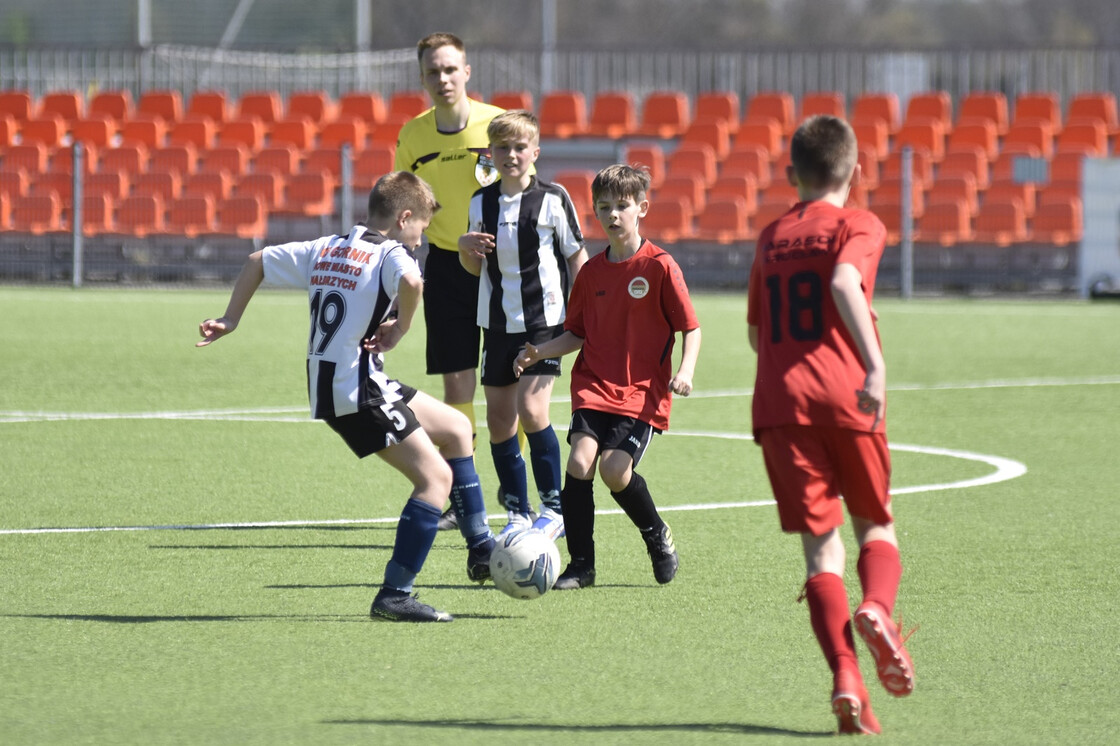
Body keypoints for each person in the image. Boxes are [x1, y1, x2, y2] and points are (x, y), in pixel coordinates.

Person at [196, 171, 496, 624]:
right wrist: (402, 326)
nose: (420, 239)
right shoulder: (391, 253)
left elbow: (257, 259)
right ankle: (396, 594)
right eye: (420, 228)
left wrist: (230, 318)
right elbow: (414, 284)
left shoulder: (328, 246)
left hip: (347, 380)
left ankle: (480, 550)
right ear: (404, 217)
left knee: (456, 429)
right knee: (435, 481)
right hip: (355, 391)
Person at [746, 114, 915, 734]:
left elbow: (755, 331)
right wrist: (874, 363)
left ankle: (846, 676)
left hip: (781, 405)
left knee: (821, 550)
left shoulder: (770, 236)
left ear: (793, 173)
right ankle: (876, 607)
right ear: (855, 170)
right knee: (876, 522)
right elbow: (845, 279)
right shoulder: (859, 223)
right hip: (848, 397)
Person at [514, 164, 701, 589]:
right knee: (580, 463)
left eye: (622, 206)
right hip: (594, 386)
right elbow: (576, 333)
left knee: (615, 471)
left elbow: (691, 326)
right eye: (604, 207)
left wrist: (685, 370)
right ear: (595, 212)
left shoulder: (660, 266)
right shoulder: (591, 274)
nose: (613, 214)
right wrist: (539, 351)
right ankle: (581, 566)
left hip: (642, 392)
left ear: (642, 209)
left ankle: (657, 535)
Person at [394, 31, 516, 530]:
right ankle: (464, 498)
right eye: (432, 72)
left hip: (501, 263)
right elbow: (405, 205)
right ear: (422, 78)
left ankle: (515, 492)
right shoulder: (414, 136)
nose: (442, 79)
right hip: (444, 267)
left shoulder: (495, 124)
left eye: (450, 69)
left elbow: (514, 188)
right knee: (457, 382)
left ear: (467, 71)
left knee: (507, 386)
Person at [458, 110, 587, 539]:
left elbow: (575, 255)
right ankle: (517, 509)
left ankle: (555, 507)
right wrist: (465, 248)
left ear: (535, 151)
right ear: (490, 154)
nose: (511, 155)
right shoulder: (481, 202)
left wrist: (583, 308)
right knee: (499, 422)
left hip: (545, 322)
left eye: (519, 147)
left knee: (532, 410)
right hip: (496, 323)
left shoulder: (554, 198)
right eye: (502, 148)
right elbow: (474, 269)